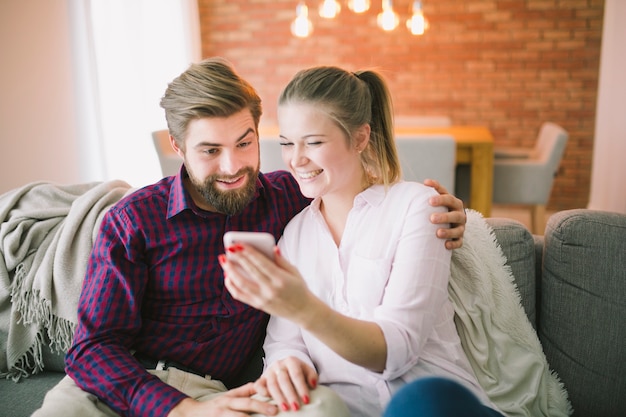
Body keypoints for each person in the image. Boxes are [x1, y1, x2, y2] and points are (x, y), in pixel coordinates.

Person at [33, 58, 467, 417]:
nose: (232, 166)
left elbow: (346, 186)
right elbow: (92, 349)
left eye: (245, 143)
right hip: (118, 388)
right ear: (178, 147)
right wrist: (179, 410)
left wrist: (455, 211)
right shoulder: (133, 221)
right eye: (210, 150)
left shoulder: (286, 199)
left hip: (221, 395)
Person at [219, 66, 503, 416]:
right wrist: (286, 364)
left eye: (315, 142)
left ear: (359, 138)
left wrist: (303, 307)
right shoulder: (295, 234)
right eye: (287, 143)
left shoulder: (415, 208)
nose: (296, 159)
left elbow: (397, 351)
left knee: (421, 402)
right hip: (344, 409)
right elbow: (283, 342)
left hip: (431, 403)